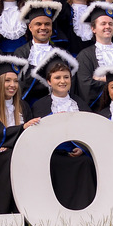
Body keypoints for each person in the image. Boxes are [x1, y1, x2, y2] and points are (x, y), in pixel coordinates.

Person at [29, 50, 96, 211]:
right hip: (52, 154)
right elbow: (37, 135)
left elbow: (91, 131)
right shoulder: (39, 106)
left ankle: (84, 209)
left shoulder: (80, 104)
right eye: (57, 77)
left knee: (86, 163)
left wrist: (82, 148)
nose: (62, 81)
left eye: (66, 77)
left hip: (78, 154)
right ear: (49, 81)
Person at [0, 56, 40, 214]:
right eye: (7, 81)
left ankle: (28, 211)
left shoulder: (23, 106)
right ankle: (1, 211)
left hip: (20, 150)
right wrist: (21, 128)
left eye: (16, 81)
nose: (13, 85)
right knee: (10, 157)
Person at [74, 2, 113, 107]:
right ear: (93, 29)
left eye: (110, 24)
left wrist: (104, 79)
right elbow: (85, 85)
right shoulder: (85, 56)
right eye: (103, 24)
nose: (107, 26)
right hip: (98, 109)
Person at [12, 0, 64, 105]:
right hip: (28, 103)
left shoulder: (61, 54)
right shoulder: (20, 53)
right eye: (38, 24)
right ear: (30, 27)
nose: (43, 28)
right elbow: (21, 82)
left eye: (47, 24)